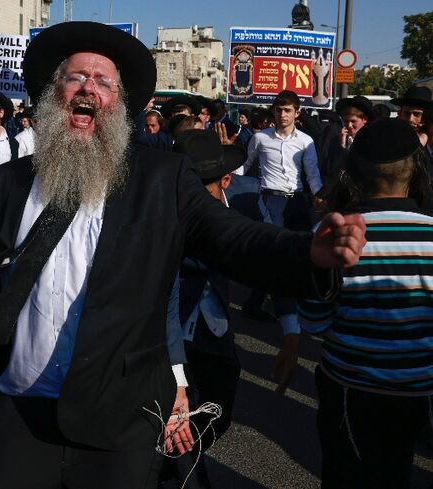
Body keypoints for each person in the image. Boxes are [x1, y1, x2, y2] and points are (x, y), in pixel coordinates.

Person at [0, 21, 366, 488]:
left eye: (102, 81)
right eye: (75, 78)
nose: (87, 87)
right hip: (25, 406)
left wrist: (306, 252)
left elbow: (232, 237)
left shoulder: (162, 180)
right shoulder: (7, 183)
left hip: (123, 414)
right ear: (53, 93)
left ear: (119, 104)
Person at [299, 118, 433, 489]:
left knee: (347, 475)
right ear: (417, 168)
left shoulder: (332, 234)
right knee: (397, 471)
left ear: (353, 169)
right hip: (419, 391)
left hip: (350, 390)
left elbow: (314, 321)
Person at [161, 129, 250, 488]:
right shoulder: (164, 208)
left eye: (204, 189)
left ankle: (161, 462)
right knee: (179, 415)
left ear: (225, 180)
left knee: (218, 411)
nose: (194, 199)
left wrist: (290, 326)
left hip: (215, 328)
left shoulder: (243, 204)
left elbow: (264, 251)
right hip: (171, 330)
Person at [237, 90, 324, 336]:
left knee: (302, 253)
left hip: (296, 200)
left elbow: (312, 172)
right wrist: (228, 186)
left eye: (287, 110)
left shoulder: (306, 141)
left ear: (297, 113)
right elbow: (245, 166)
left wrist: (319, 196)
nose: (282, 114)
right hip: (269, 199)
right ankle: (263, 305)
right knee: (273, 253)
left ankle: (277, 304)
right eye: (278, 110)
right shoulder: (260, 138)